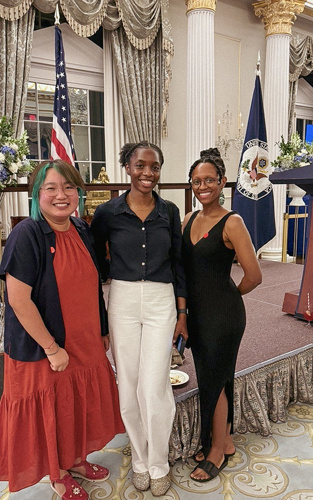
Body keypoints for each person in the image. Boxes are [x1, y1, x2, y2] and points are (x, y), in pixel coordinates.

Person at [0, 160, 125, 499]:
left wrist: (103, 328)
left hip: (84, 339)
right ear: (37, 194)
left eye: (69, 188)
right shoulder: (27, 234)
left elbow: (93, 285)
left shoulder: (81, 229)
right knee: (52, 409)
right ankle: (59, 471)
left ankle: (76, 459)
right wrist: (52, 348)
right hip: (44, 348)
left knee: (75, 406)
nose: (61, 195)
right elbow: (19, 302)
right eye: (51, 188)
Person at [90, 141, 187, 497]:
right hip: (123, 300)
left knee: (153, 385)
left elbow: (179, 263)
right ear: (127, 167)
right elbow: (96, 264)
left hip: (162, 300)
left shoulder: (170, 211)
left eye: (155, 167)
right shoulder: (108, 213)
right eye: (141, 165)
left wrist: (181, 312)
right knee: (128, 385)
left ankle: (159, 461)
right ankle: (141, 460)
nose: (148, 173)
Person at [182, 148, 262, 482]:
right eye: (197, 181)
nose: (203, 186)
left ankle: (216, 451)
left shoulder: (233, 221)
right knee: (214, 376)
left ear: (222, 182)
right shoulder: (188, 218)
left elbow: (254, 275)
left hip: (224, 316)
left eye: (209, 180)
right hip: (197, 315)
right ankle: (224, 440)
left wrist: (227, 296)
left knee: (214, 377)